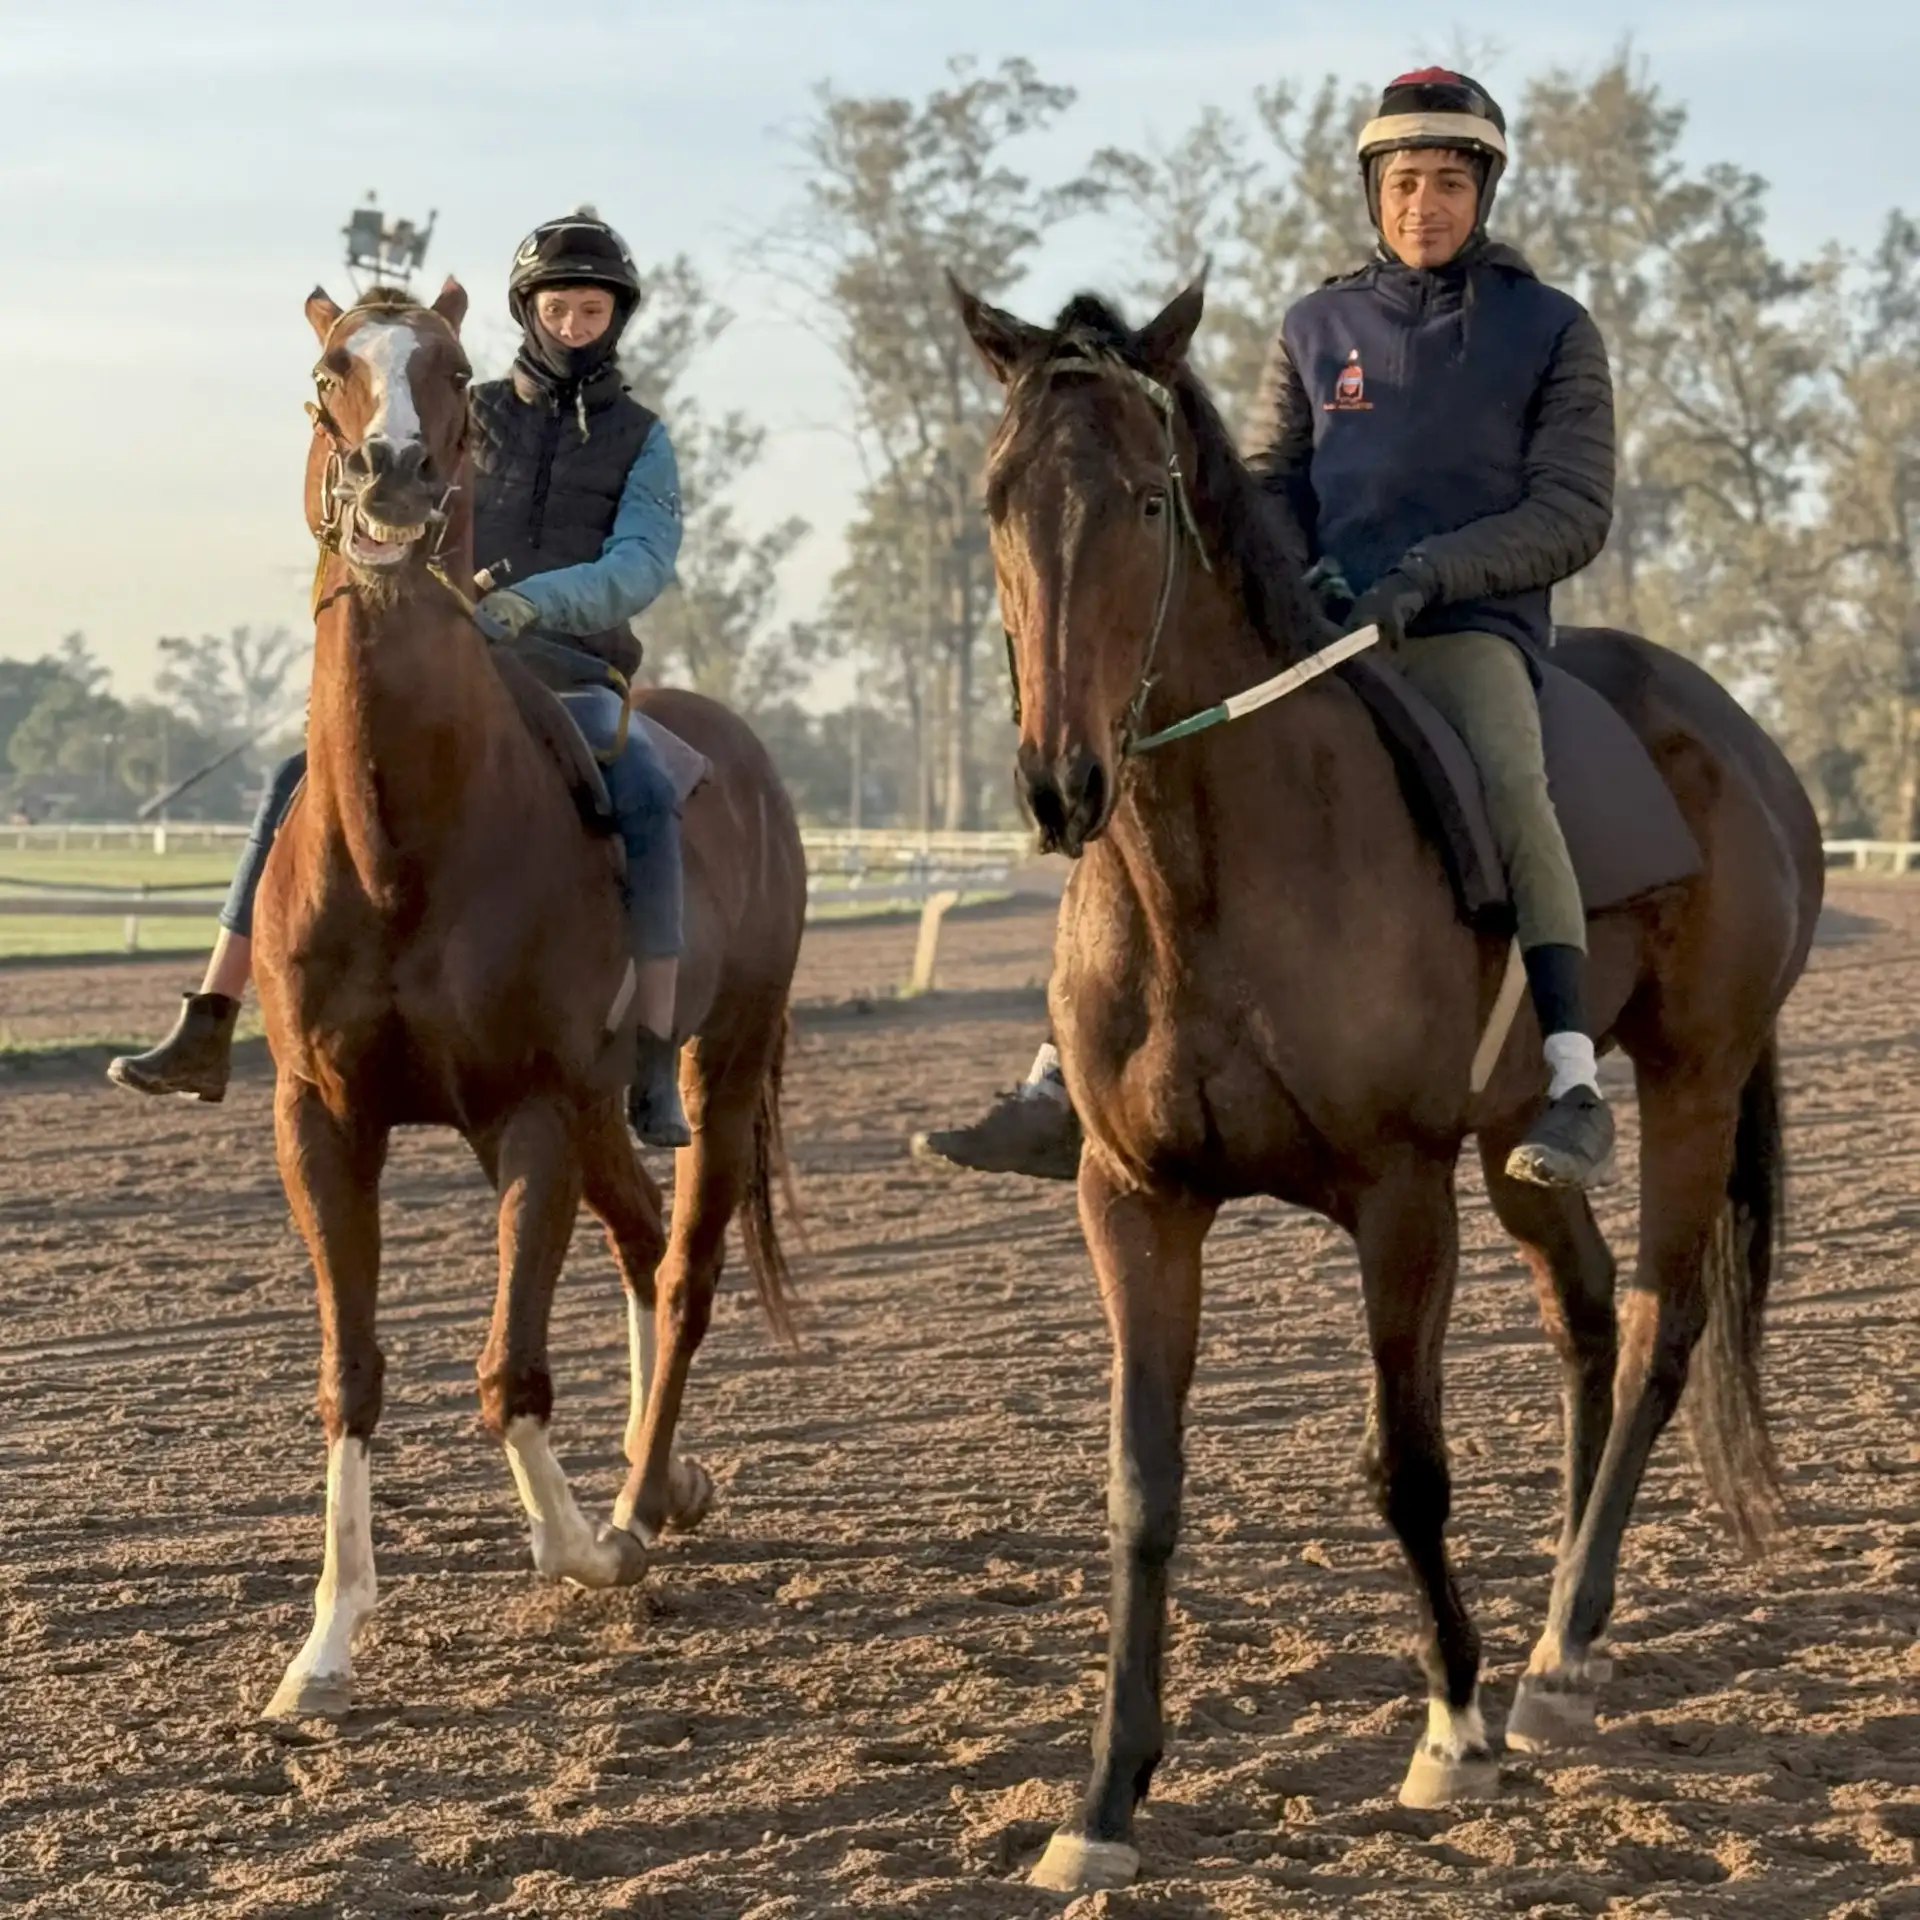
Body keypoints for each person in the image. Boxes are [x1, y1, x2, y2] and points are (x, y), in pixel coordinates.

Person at [914, 67, 1618, 1193]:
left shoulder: (1551, 330)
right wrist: (1308, 573)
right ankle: (1063, 1072)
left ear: (1483, 190)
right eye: (1402, 183)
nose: (1422, 205)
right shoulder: (1316, 323)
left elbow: (1572, 509)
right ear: (1372, 193)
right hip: (1318, 622)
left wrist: (1437, 573)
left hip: (1465, 628)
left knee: (1513, 785)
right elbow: (1269, 484)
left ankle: (1575, 1078)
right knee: (1150, 773)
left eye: (1446, 182)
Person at [108, 210, 695, 1149]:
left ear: (615, 318)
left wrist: (532, 604)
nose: (575, 326)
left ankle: (656, 1054)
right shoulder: (464, 405)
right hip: (442, 665)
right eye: (559, 308)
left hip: (572, 669)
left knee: (649, 793)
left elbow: (641, 564)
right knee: (287, 783)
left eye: (592, 311)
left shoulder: (643, 438)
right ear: (529, 313)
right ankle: (211, 1018)